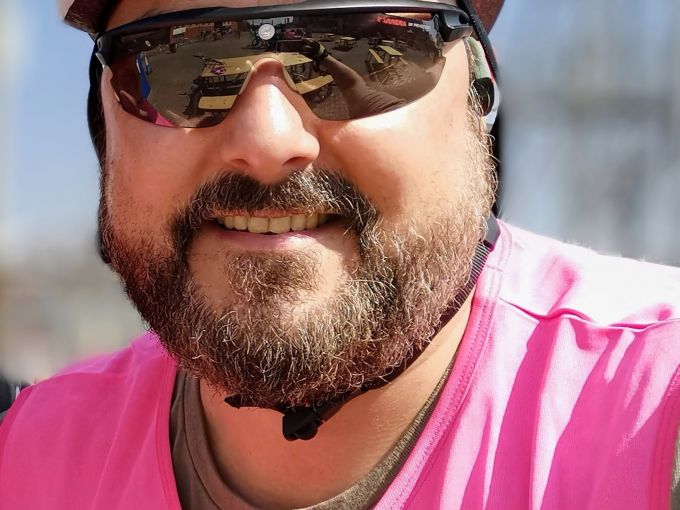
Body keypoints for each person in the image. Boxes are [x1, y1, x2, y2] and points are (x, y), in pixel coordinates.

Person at [0, 1, 678, 509]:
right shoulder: (30, 455)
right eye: (181, 64)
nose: (268, 142)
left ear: (478, 102)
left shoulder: (656, 409)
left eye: (359, 51)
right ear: (103, 128)